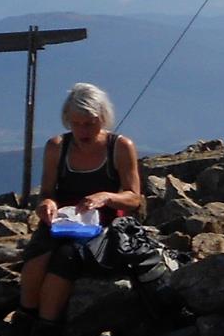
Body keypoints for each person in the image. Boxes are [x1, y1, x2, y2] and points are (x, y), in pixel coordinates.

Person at [19, 82, 144, 323]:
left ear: (103, 119)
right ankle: (27, 316)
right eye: (76, 124)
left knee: (65, 258)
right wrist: (46, 204)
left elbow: (134, 198)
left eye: (89, 124)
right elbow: (46, 192)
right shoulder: (57, 147)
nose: (83, 131)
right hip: (62, 222)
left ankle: (45, 329)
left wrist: (106, 197)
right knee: (37, 258)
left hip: (104, 226)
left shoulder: (119, 147)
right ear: (67, 120)